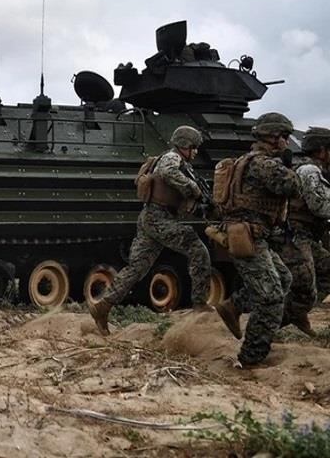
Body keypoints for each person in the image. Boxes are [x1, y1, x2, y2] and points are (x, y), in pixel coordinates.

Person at [89, 125, 212, 335]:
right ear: (185, 146)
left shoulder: (173, 160)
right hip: (159, 217)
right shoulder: (172, 159)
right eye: (194, 147)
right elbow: (167, 172)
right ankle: (200, 305)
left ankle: (103, 306)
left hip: (151, 218)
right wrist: (193, 188)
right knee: (197, 250)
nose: (196, 152)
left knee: (137, 268)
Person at [214, 113, 300, 367]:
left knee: (283, 279)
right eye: (284, 137)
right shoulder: (265, 164)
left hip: (252, 235)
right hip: (248, 237)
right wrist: (288, 163)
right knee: (271, 297)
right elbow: (292, 187)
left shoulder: (248, 160)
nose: (286, 142)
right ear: (274, 137)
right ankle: (251, 358)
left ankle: (234, 305)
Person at [276, 127, 330, 335]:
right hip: (297, 238)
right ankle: (265, 329)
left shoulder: (313, 169)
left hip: (305, 237)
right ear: (322, 150)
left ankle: (295, 314)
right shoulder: (309, 171)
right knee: (304, 289)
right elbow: (319, 205)